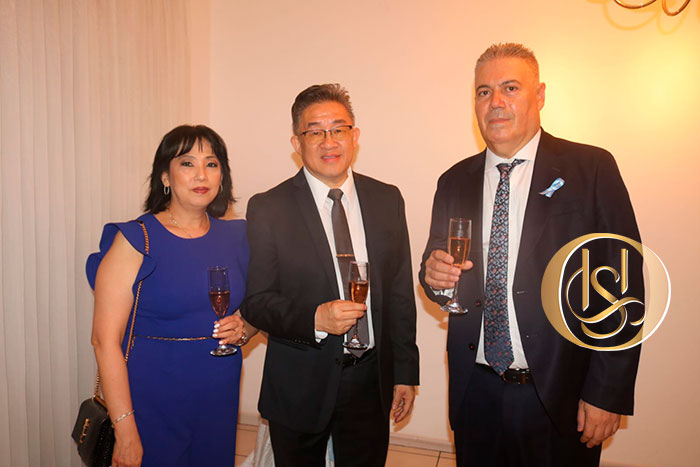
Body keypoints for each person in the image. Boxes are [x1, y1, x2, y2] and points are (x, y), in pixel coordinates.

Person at [419, 43, 643, 466]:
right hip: (475, 395)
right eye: (484, 92)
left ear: (539, 96)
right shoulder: (454, 181)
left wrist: (606, 392)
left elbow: (624, 286)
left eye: (510, 88)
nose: (496, 102)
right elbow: (438, 273)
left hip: (560, 397)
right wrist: (433, 278)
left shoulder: (591, 169)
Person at [241, 83, 420, 467]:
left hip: (369, 380)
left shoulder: (387, 199)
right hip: (299, 381)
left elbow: (400, 294)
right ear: (297, 142)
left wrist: (405, 372)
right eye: (315, 132)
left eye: (338, 129)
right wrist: (315, 319)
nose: (329, 141)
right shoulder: (269, 207)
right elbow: (256, 302)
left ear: (355, 136)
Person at [87, 125, 256, 467]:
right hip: (153, 396)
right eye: (187, 163)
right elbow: (104, 341)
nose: (201, 174)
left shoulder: (238, 236)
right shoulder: (136, 239)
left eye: (211, 164)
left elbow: (257, 308)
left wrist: (245, 328)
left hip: (219, 392)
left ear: (222, 176)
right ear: (165, 176)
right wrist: (125, 429)